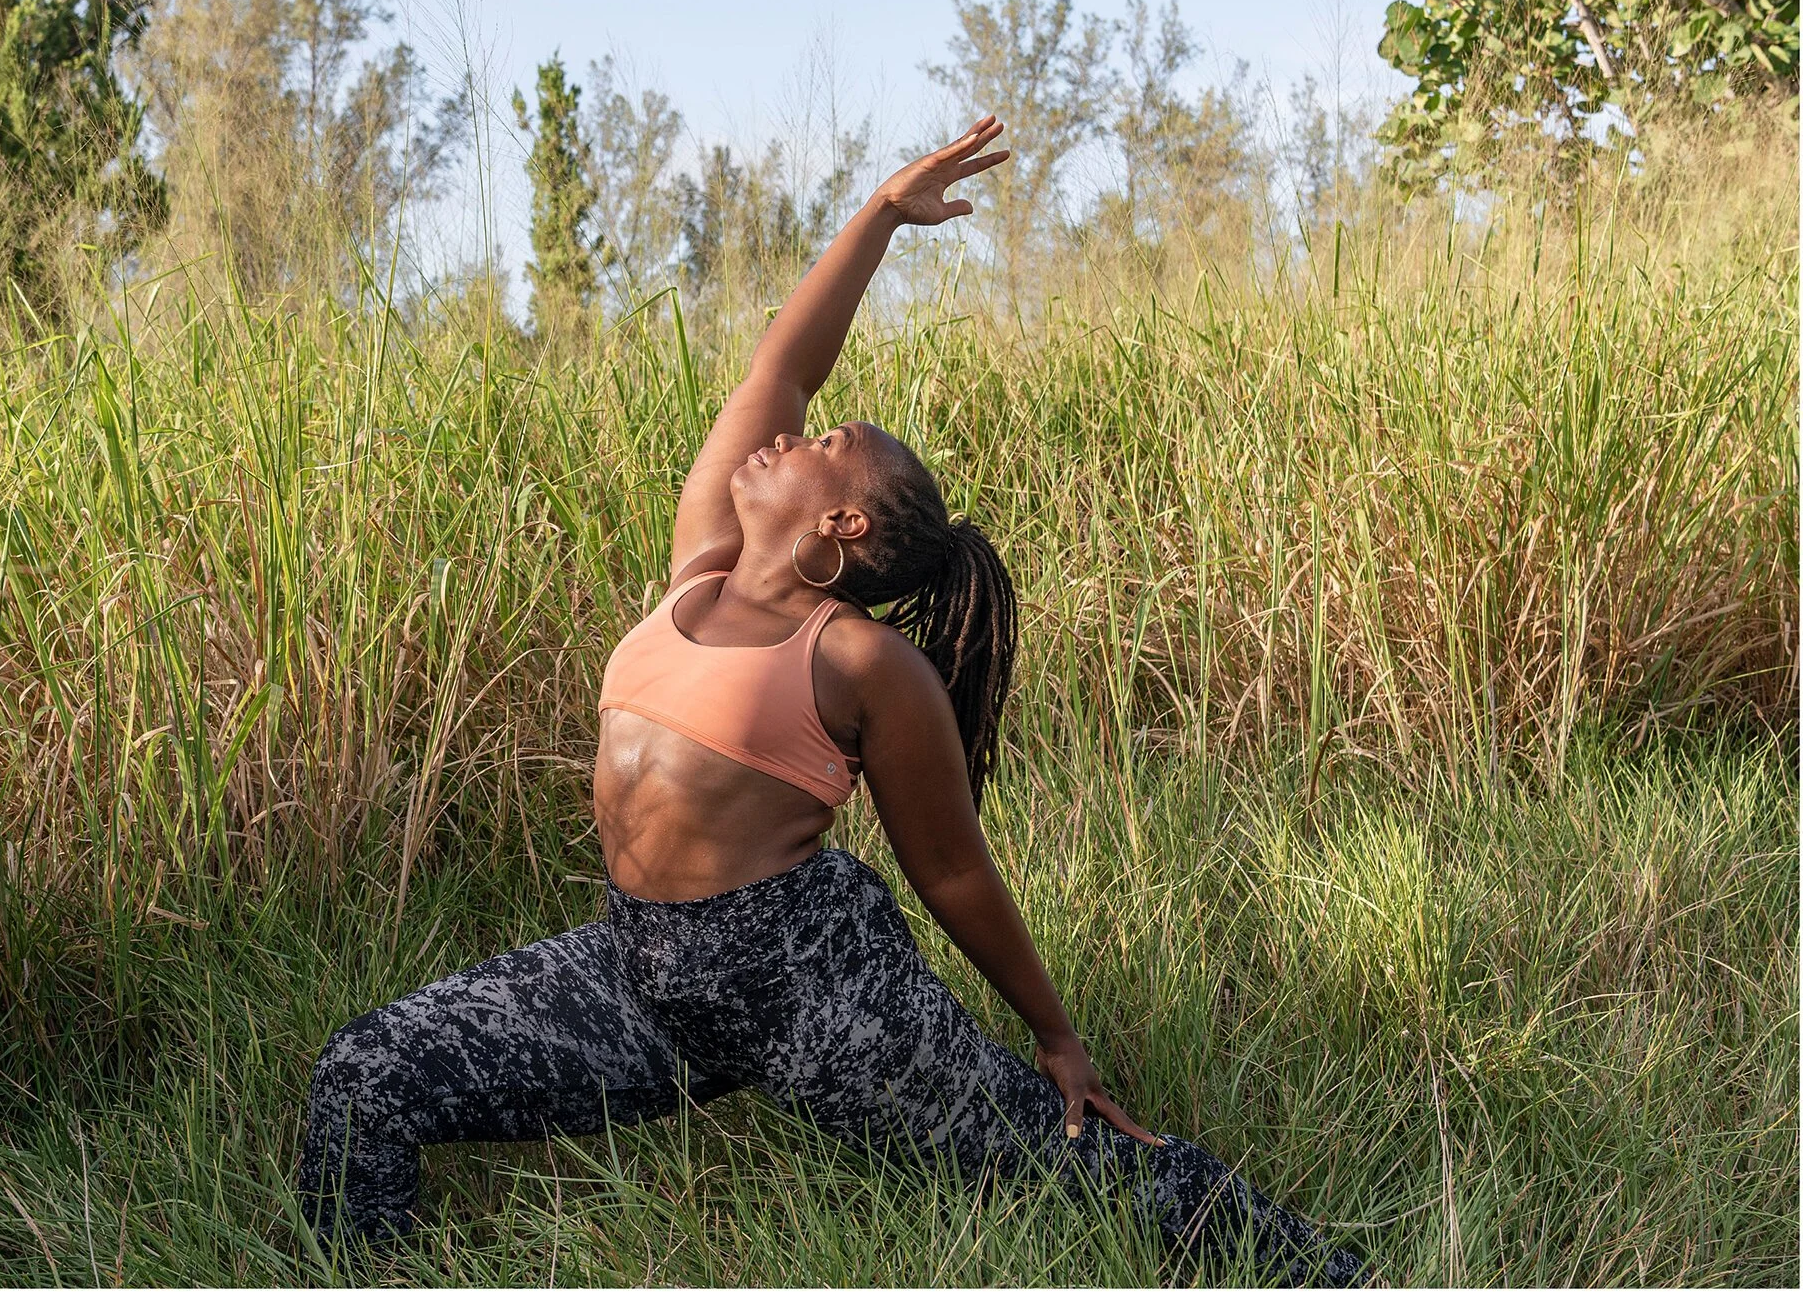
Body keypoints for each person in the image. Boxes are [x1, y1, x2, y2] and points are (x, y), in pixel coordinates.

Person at [299, 118, 1366, 1286]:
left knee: (1050, 1158)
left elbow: (950, 867)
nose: (789, 436)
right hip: (637, 965)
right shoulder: (699, 571)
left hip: (804, 975)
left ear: (842, 523)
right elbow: (779, 369)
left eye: (824, 447)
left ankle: (1318, 1271)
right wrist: (878, 215)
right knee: (365, 1074)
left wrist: (1054, 1033)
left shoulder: (858, 663)